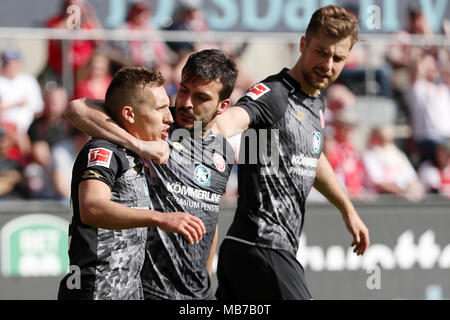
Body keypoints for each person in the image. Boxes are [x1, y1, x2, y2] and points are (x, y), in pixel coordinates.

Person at [213, 5, 370, 300]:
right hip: (262, 246)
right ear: (303, 44)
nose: (328, 64)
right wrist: (205, 129)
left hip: (250, 250)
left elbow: (313, 158)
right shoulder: (274, 93)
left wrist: (348, 210)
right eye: (321, 52)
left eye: (338, 58)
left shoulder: (315, 102)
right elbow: (232, 120)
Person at [65, 49, 238, 299]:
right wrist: (140, 146)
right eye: (184, 90)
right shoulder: (156, 130)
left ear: (222, 106)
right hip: (148, 289)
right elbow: (77, 109)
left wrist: (207, 272)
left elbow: (211, 217)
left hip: (199, 293)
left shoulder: (221, 149)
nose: (186, 103)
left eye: (201, 97)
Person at [362, 125, 425, 201]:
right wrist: (399, 191)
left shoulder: (398, 154)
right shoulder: (369, 155)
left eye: (389, 139)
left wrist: (411, 189)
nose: (386, 142)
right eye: (382, 139)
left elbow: (412, 178)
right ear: (374, 139)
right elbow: (377, 182)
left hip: (405, 195)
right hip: (384, 198)